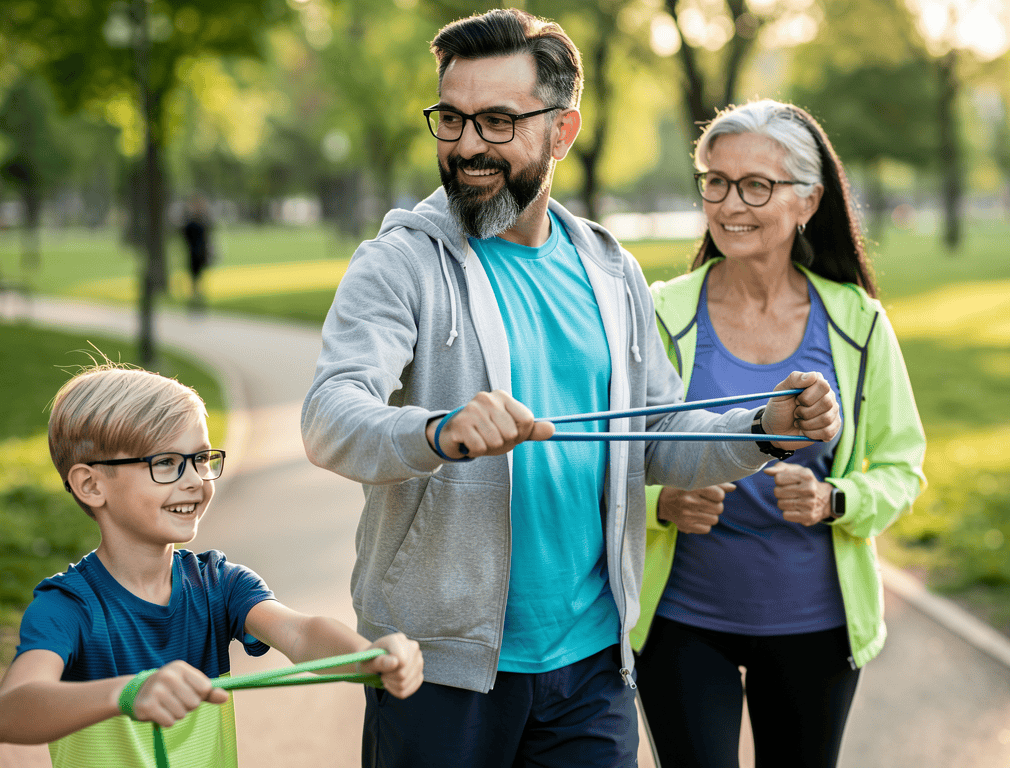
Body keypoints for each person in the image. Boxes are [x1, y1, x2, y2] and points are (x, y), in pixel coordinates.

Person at [300, 11, 840, 768]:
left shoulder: (609, 270)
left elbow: (657, 434)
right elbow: (331, 417)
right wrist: (436, 431)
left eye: (496, 121)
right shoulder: (401, 265)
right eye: (450, 119)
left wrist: (764, 425)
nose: (465, 146)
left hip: (591, 667)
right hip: (440, 670)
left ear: (562, 129)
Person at [632, 100, 927, 768]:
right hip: (681, 620)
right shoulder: (659, 312)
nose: (731, 202)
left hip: (814, 624)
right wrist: (662, 503)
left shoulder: (858, 321)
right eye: (716, 180)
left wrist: (837, 500)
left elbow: (903, 464)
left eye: (756, 184)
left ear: (807, 200)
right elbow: (616, 453)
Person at [0, 362, 423, 768]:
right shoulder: (68, 606)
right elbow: (11, 712)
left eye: (200, 458)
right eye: (165, 463)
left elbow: (300, 632)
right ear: (90, 484)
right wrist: (128, 693)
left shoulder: (219, 584)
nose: (195, 480)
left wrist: (368, 657)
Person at [182, 194, 212, 308]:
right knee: (194, 273)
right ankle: (195, 293)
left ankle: (198, 293)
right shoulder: (191, 221)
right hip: (193, 251)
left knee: (199, 273)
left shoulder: (202, 220)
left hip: (201, 251)